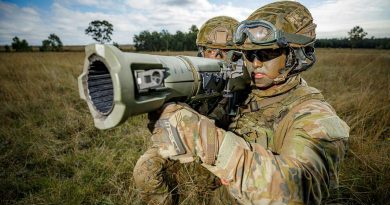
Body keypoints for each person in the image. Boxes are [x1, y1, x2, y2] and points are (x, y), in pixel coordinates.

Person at [146, 1, 349, 205]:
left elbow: (296, 192)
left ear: (296, 55)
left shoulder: (313, 115)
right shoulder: (243, 88)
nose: (255, 63)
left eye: (267, 53)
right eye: (248, 54)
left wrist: (200, 137)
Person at [133, 16, 241, 205]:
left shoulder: (247, 85)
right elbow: (164, 132)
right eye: (209, 50)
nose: (215, 57)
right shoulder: (190, 80)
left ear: (238, 54)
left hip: (226, 150)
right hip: (190, 144)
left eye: (223, 52)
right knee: (145, 170)